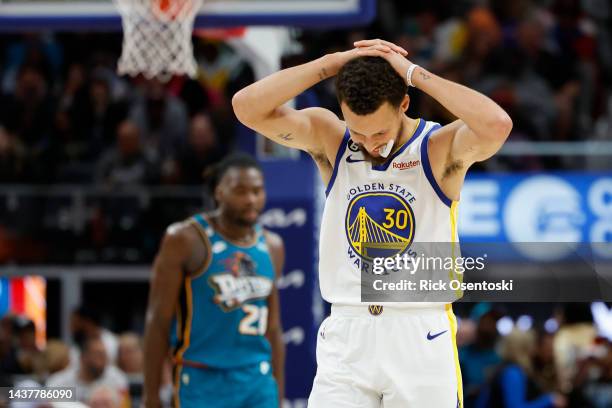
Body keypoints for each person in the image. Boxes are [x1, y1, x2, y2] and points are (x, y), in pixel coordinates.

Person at [233, 38, 513, 407]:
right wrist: (333, 63)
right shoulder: (332, 138)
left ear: (404, 104)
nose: (368, 143)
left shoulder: (437, 147)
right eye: (358, 131)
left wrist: (413, 74)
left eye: (379, 132)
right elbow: (246, 107)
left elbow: (496, 124)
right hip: (347, 331)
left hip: (418, 330)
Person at [142, 153, 285, 408]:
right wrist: (151, 396)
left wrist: (279, 393)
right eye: (240, 191)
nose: (251, 199)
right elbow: (157, 321)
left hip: (257, 380)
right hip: (200, 378)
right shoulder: (185, 239)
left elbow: (273, 328)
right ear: (219, 192)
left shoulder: (272, 246)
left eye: (257, 190)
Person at [47, 335, 129, 404]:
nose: (104, 360)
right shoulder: (58, 383)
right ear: (83, 357)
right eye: (98, 355)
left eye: (104, 355)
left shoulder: (117, 379)